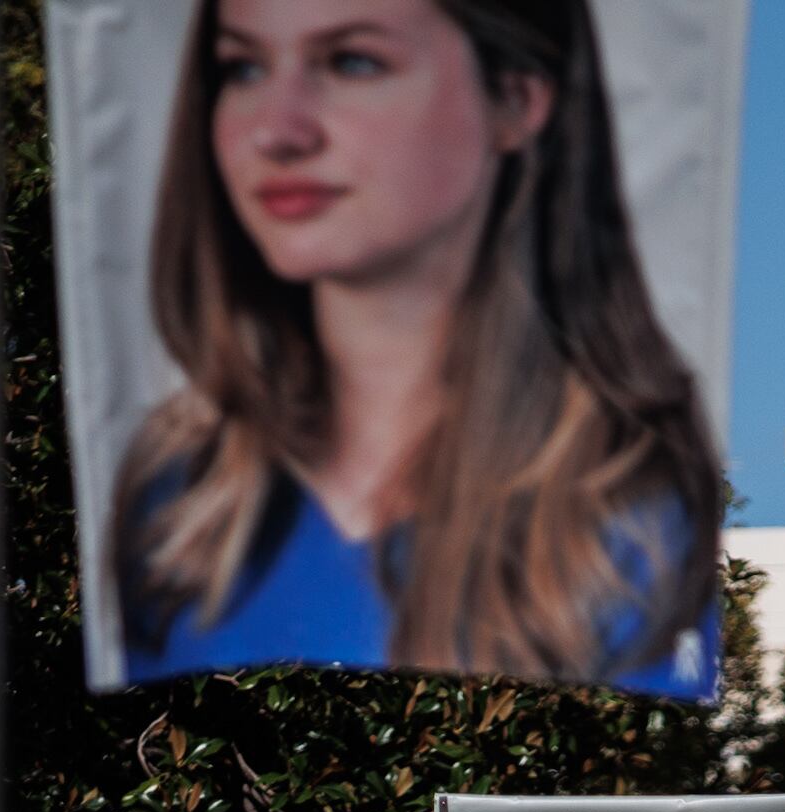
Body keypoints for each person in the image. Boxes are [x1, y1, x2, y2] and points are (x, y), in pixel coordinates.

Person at [118, 0, 721, 694]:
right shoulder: (171, 494)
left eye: (352, 61)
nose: (277, 132)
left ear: (516, 100)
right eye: (243, 68)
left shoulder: (633, 523)